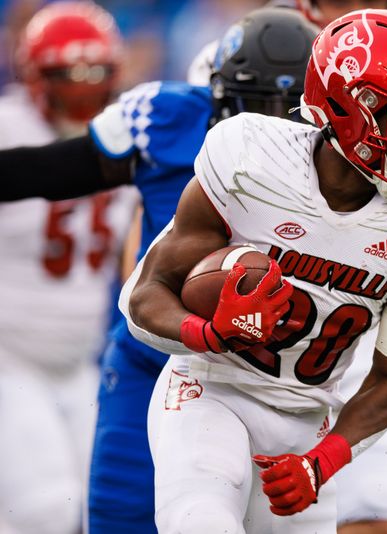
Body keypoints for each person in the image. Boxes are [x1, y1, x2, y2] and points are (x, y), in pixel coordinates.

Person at [123, 9, 387, 534]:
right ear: (352, 109)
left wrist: (323, 461)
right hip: (213, 389)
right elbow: (145, 295)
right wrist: (209, 333)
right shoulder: (251, 161)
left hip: (307, 421)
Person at [0, 7, 319, 534]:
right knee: (115, 517)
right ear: (217, 96)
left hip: (265, 373)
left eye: (290, 109)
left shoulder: (342, 163)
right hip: (153, 350)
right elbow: (59, 168)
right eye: (257, 105)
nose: (272, 124)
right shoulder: (168, 120)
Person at [0, 3, 139, 534]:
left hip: (79, 361)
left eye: (95, 74)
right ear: (36, 77)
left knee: (104, 507)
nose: (82, 90)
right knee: (43, 510)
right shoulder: (10, 128)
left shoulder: (128, 130)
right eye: (68, 76)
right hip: (10, 358)